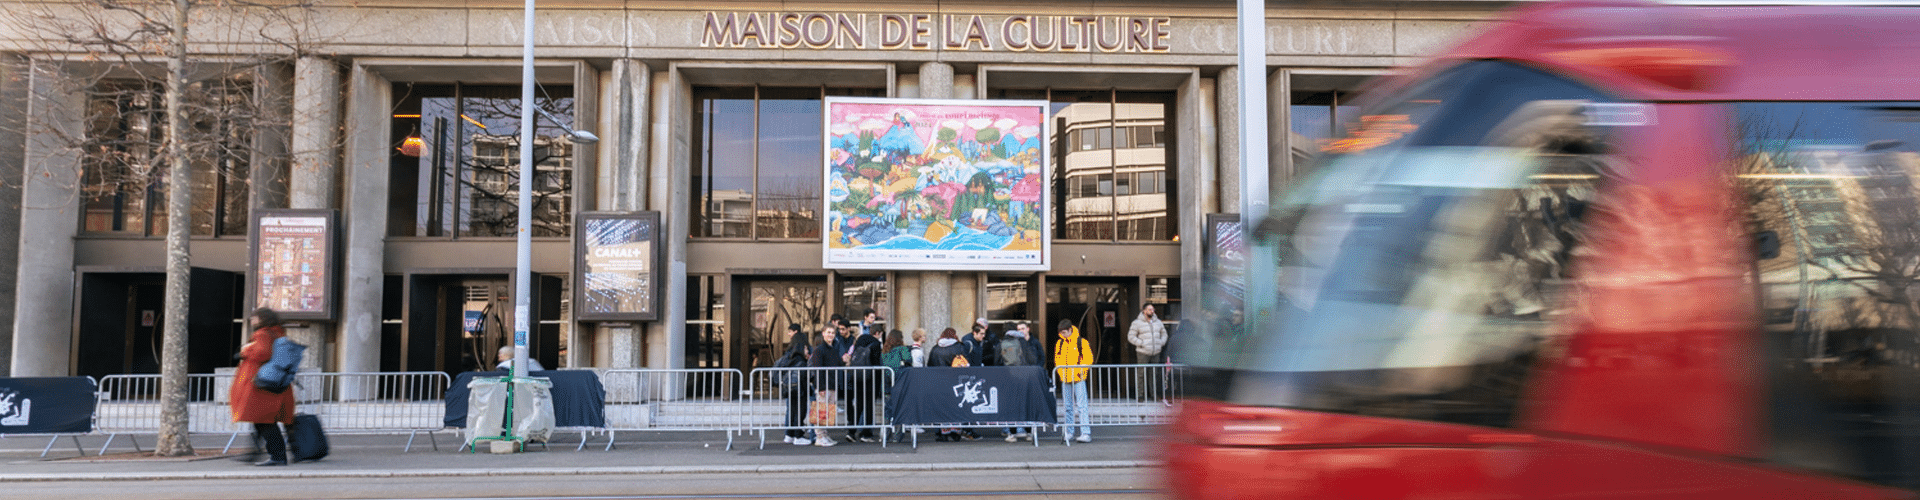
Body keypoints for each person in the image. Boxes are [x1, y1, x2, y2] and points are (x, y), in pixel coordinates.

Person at [231, 307, 296, 466]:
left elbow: (263, 353)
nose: (252, 320)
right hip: (272, 384)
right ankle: (255, 452)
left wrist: (245, 351)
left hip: (261, 386)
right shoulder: (277, 333)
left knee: (264, 421)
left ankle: (278, 456)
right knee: (262, 420)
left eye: (255, 318)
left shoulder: (263, 334)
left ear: (262, 319)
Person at [924, 328, 973, 441]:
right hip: (955, 382)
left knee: (941, 407)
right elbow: (966, 363)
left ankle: (941, 433)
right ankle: (955, 431)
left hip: (938, 382)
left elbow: (930, 365)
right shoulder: (959, 347)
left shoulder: (935, 348)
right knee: (955, 407)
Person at [843, 312, 885, 443]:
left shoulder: (859, 340)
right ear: (878, 334)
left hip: (858, 377)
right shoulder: (876, 344)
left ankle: (851, 431)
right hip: (870, 380)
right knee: (868, 406)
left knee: (859, 405)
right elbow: (877, 364)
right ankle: (866, 434)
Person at [997, 321, 1041, 442]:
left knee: (1009, 405)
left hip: (1007, 377)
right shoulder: (1022, 341)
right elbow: (1033, 359)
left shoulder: (1001, 343)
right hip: (1023, 377)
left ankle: (1010, 432)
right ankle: (1025, 431)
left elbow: (996, 361)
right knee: (1024, 404)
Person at [1054, 319, 1094, 443]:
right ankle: (1069, 432)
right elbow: (1057, 360)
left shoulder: (1081, 342)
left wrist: (1078, 372)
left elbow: (1088, 359)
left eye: (1065, 332)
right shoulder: (1060, 343)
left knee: (1082, 406)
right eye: (1061, 333)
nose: (1063, 335)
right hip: (1066, 379)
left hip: (1078, 378)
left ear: (1071, 330)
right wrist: (1062, 374)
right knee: (1068, 407)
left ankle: (1085, 433)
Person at [806, 322, 845, 447]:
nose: (831, 335)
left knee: (828, 411)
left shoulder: (833, 349)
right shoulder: (819, 350)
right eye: (828, 332)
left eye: (833, 333)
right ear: (823, 334)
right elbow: (818, 370)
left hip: (832, 384)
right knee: (820, 411)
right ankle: (819, 437)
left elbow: (838, 364)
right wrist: (820, 386)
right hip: (824, 385)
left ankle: (825, 435)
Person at [778, 325, 814, 445]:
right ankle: (798, 436)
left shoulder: (789, 355)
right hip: (800, 388)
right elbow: (806, 376)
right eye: (806, 347)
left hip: (789, 388)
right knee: (800, 411)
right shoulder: (800, 360)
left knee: (792, 410)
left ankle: (789, 435)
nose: (807, 349)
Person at [1126, 304, 1169, 402]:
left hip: (1156, 352)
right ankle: (1140, 395)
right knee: (1141, 374)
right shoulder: (1137, 323)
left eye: (1153, 309)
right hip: (1143, 352)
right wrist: (1141, 343)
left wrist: (1160, 343)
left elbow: (1164, 334)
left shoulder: (1158, 322)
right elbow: (1131, 336)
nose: (1152, 311)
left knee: (1154, 374)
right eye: (1149, 309)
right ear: (1144, 311)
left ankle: (1153, 395)